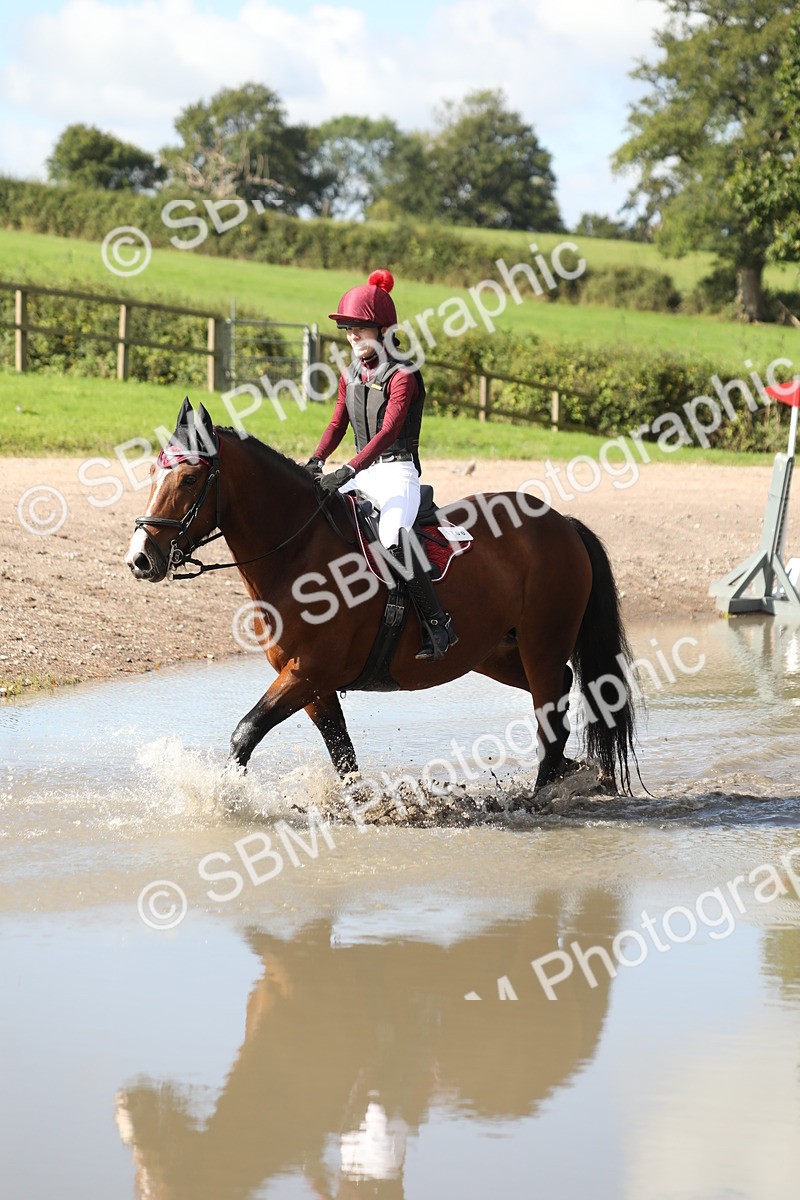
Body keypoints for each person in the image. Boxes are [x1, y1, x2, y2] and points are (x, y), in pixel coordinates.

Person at [305, 269, 457, 662]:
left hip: (397, 474)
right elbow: (338, 422)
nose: (352, 334)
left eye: (359, 327)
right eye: (348, 328)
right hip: (362, 471)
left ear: (382, 328)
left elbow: (389, 431)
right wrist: (316, 461)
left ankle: (438, 625)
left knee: (392, 537)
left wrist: (349, 469)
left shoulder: (403, 374)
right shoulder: (350, 375)